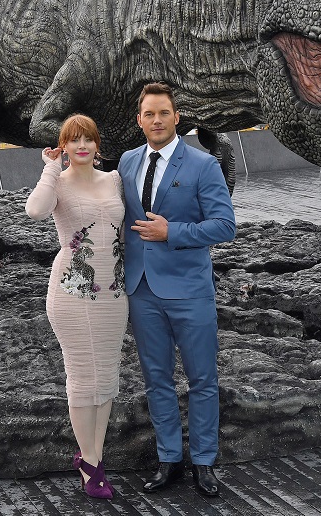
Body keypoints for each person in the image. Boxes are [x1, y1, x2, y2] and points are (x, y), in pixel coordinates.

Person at [117, 82, 236, 498]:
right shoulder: (128, 161)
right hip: (142, 289)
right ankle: (169, 458)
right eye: (148, 114)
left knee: (203, 379)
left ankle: (204, 463)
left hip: (190, 290)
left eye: (163, 113)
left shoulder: (203, 166)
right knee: (157, 380)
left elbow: (225, 226)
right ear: (139, 120)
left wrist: (173, 232)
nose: (156, 121)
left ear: (176, 117)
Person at [25, 114, 128, 500]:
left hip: (114, 294)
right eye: (74, 140)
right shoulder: (57, 185)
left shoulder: (114, 179)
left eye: (88, 139)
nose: (82, 145)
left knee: (107, 377)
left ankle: (94, 458)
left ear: (97, 144)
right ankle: (89, 464)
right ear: (64, 146)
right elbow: (35, 210)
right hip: (72, 292)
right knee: (84, 377)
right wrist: (51, 169)